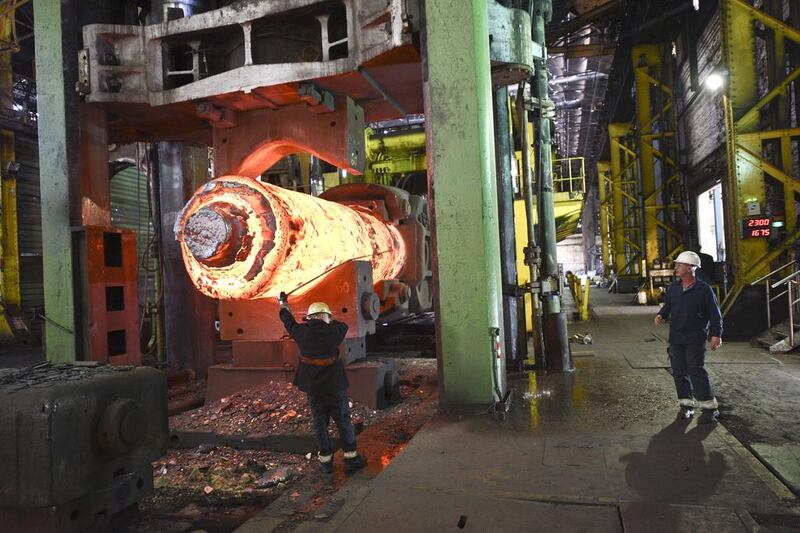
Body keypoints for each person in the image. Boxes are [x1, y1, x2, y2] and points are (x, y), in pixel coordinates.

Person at [278, 292, 367, 473]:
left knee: (320, 423)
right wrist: (326, 320)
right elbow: (342, 324)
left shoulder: (301, 332)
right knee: (343, 420)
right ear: (326, 317)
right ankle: (351, 458)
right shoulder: (335, 331)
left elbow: (287, 320)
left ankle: (326, 462)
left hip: (314, 388)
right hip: (335, 387)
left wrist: (283, 303)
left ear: (309, 319)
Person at [654, 251, 723, 424]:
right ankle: (686, 406)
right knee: (679, 371)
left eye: (679, 265)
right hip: (676, 336)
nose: (676, 268)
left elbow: (715, 314)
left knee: (696, 370)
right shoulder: (675, 288)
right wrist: (662, 314)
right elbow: (669, 304)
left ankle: (709, 409)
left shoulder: (704, 290)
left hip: (695, 336)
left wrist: (716, 334)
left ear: (691, 268)